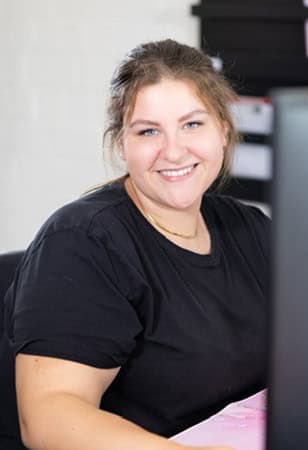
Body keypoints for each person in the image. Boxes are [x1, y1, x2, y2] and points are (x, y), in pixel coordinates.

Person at [0, 39, 270, 450]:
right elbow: (49, 418)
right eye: (148, 131)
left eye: (192, 124)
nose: (174, 150)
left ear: (224, 130)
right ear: (122, 145)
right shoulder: (83, 241)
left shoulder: (247, 227)